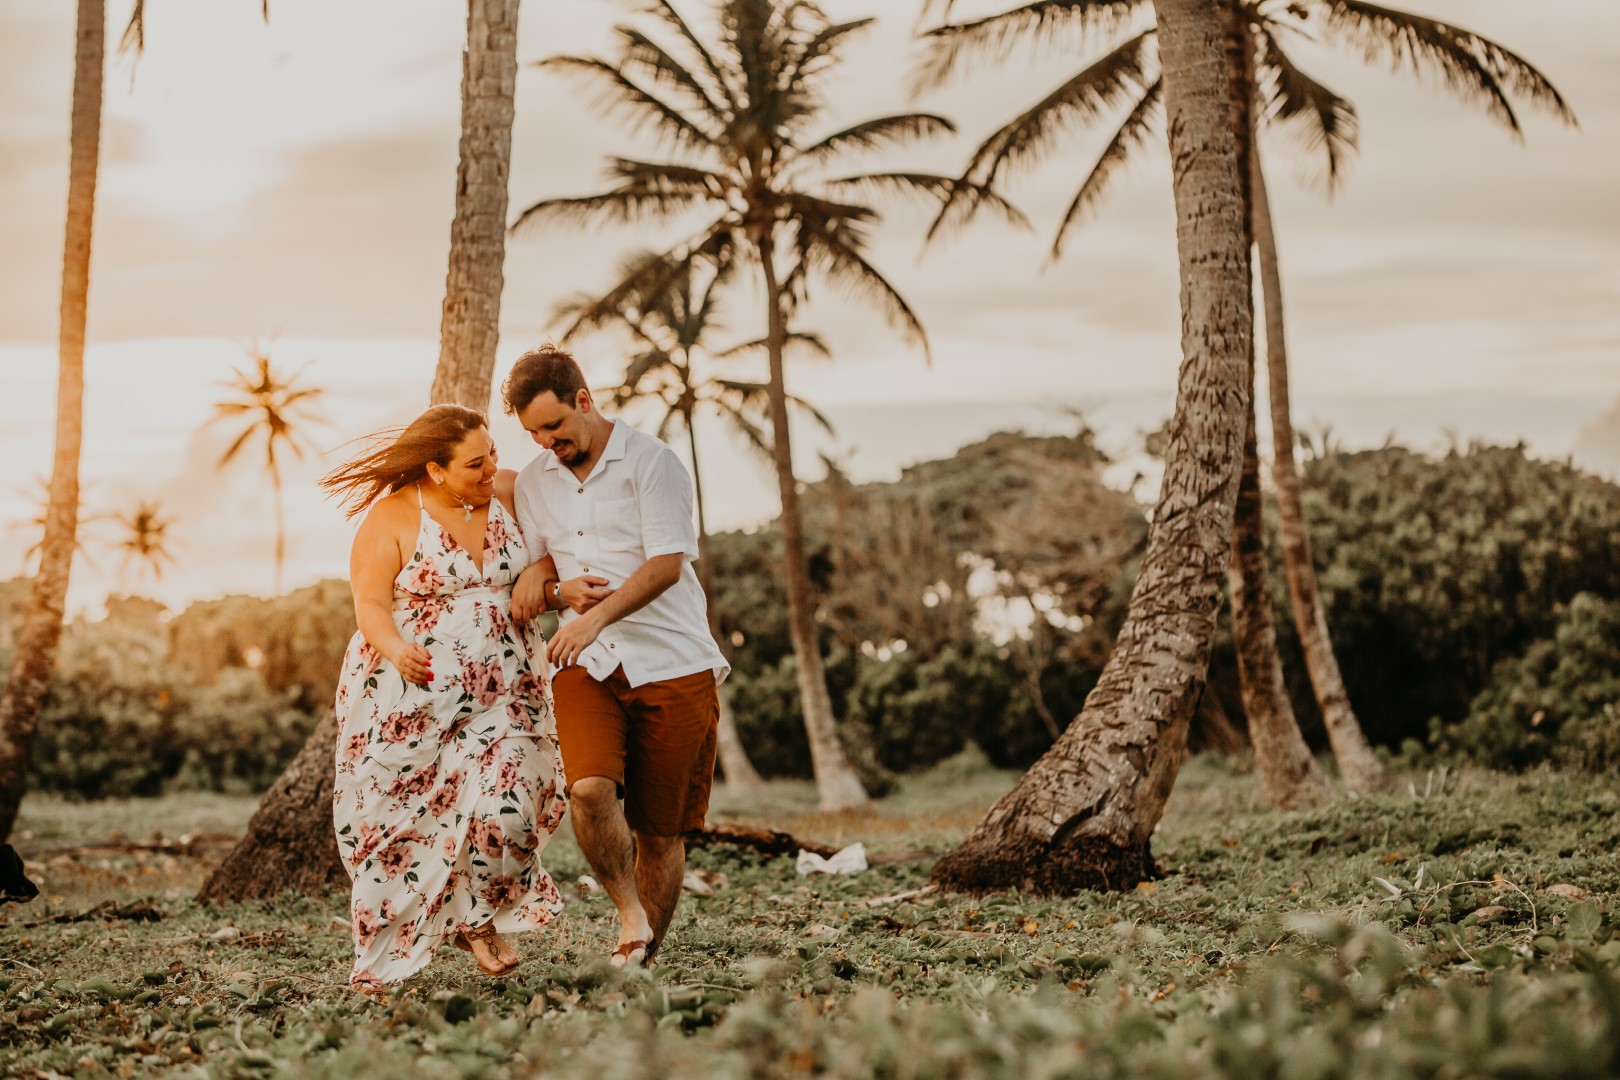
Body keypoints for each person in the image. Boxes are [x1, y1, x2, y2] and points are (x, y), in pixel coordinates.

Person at [321, 404, 568, 995]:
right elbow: (370, 606)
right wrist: (397, 648)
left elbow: (572, 536)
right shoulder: (392, 517)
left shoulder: (510, 494)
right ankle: (380, 962)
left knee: (515, 809)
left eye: (494, 455)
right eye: (475, 463)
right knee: (399, 828)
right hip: (411, 699)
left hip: (508, 691)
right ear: (435, 469)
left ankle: (476, 913)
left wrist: (543, 570)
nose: (492, 470)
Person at [504, 344, 728, 968]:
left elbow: (666, 564)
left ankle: (639, 960)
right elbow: (543, 553)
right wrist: (545, 586)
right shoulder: (534, 480)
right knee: (588, 789)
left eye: (554, 426)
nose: (547, 441)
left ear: (584, 400)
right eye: (533, 432)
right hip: (588, 662)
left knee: (660, 832)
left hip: (672, 662)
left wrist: (592, 615)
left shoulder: (652, 463)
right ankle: (627, 909)